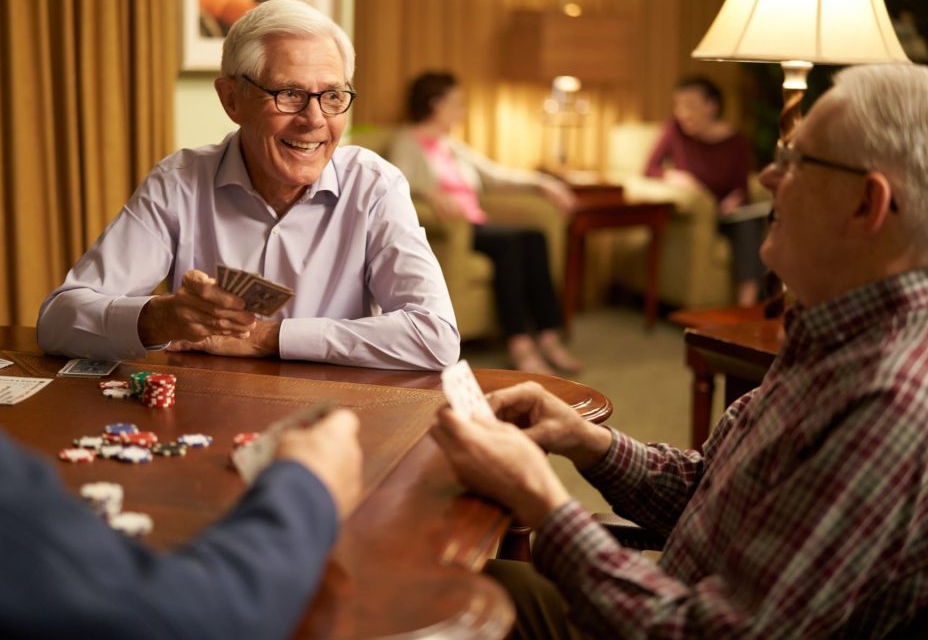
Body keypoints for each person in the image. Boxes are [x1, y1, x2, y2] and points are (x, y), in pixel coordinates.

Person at [432, 63, 928, 637]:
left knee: (441, 608)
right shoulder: (833, 332)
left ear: (867, 204)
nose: (768, 175)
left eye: (797, 162)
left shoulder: (887, 399)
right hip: (662, 601)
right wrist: (584, 440)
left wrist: (545, 502)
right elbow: (710, 494)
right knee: (453, 583)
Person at [37, 0, 459, 371]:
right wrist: (159, 318)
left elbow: (435, 336)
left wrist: (267, 337)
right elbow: (58, 320)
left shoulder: (375, 187)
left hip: (330, 427)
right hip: (203, 422)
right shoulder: (180, 181)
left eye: (332, 96)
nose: (314, 120)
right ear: (231, 100)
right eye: (289, 93)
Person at [0, 360, 362, 637]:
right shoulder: (174, 195)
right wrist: (308, 487)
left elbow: (431, 328)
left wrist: (270, 337)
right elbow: (179, 624)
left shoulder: (375, 198)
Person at [387, 71, 580, 376]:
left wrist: (544, 184)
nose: (462, 110)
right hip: (451, 230)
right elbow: (394, 181)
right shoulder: (407, 140)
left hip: (477, 223)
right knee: (510, 244)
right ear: (436, 105)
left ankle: (548, 334)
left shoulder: (451, 145)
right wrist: (428, 193)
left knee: (534, 237)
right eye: (457, 103)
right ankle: (518, 343)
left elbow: (495, 174)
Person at [645, 76, 764, 307]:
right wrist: (674, 176)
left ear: (712, 107)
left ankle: (746, 307)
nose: (682, 113)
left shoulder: (736, 141)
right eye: (678, 105)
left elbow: (742, 190)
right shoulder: (675, 130)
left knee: (748, 224)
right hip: (697, 214)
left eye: (690, 105)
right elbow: (650, 168)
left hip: (726, 216)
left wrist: (733, 203)